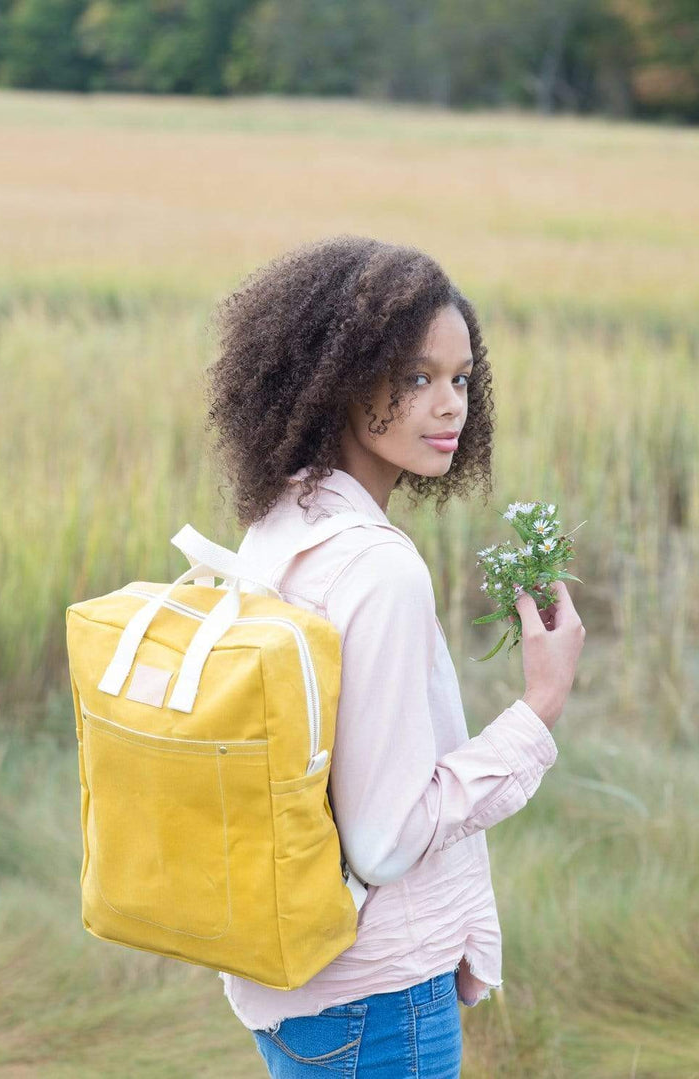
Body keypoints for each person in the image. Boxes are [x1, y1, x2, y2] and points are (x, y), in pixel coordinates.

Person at [204, 235, 586, 1077]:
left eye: (460, 378)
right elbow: (382, 841)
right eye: (415, 377)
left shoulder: (283, 523)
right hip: (375, 1003)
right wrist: (539, 705)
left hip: (293, 987)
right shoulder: (378, 567)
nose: (449, 404)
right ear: (339, 376)